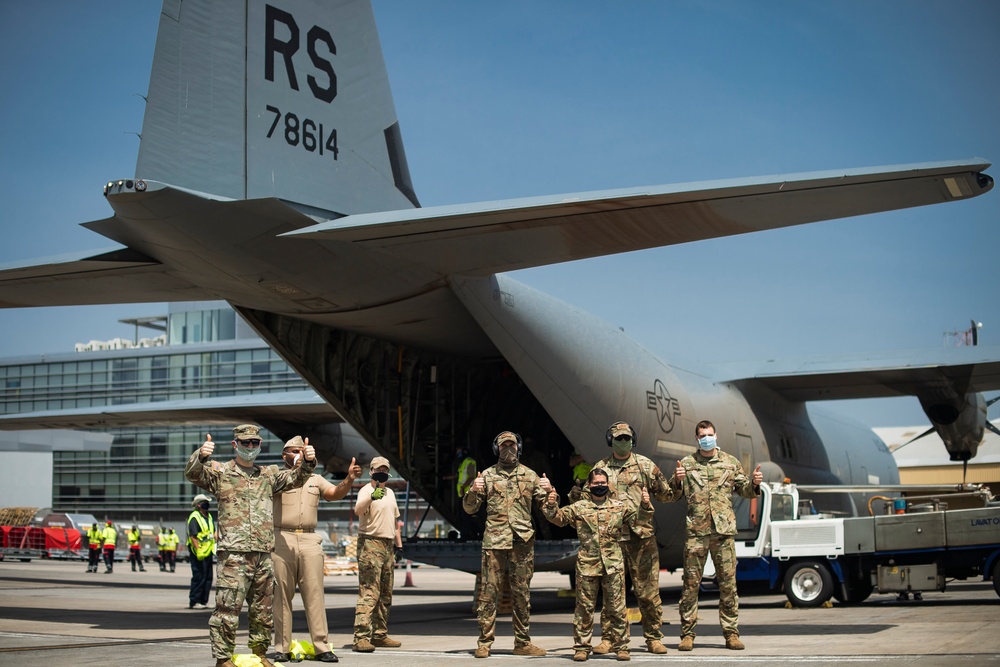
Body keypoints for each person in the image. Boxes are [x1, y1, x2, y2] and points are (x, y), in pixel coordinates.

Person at [185, 424, 317, 667]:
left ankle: (260, 653)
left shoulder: (267, 475)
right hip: (233, 555)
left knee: (263, 610)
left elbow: (296, 478)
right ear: (235, 445)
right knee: (227, 609)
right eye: (245, 443)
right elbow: (194, 474)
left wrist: (308, 462)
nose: (250, 447)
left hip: (263, 554)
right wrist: (201, 456)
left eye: (255, 443)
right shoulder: (221, 472)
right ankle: (223, 658)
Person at [558, 421, 676, 654]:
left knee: (648, 591)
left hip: (641, 537)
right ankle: (610, 639)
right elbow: (586, 500)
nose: (623, 443)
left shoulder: (645, 465)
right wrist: (572, 497)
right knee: (612, 594)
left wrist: (678, 481)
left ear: (633, 440)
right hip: (610, 539)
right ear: (610, 441)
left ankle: (653, 637)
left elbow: (667, 495)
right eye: (618, 439)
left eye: (626, 438)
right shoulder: (600, 469)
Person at [670, 419, 763, 651]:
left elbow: (744, 490)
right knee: (690, 586)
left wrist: (754, 483)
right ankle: (687, 635)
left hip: (723, 532)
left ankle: (731, 634)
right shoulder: (688, 464)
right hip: (696, 533)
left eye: (710, 434)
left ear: (716, 435)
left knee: (728, 585)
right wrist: (677, 480)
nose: (707, 438)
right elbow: (672, 495)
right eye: (702, 435)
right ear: (697, 438)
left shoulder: (730, 463)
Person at [544, 468, 652, 662]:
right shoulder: (580, 507)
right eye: (596, 483)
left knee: (617, 607)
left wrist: (644, 505)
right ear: (589, 486)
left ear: (608, 484)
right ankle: (582, 647)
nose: (600, 486)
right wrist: (551, 504)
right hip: (587, 564)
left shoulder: (620, 507)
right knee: (584, 608)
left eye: (603, 483)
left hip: (613, 565)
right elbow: (558, 519)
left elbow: (639, 522)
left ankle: (621, 646)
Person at [272, 435, 363, 664]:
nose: (299, 455)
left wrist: (349, 480)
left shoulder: (315, 479)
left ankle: (321, 647)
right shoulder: (276, 477)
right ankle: (282, 647)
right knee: (281, 596)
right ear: (284, 455)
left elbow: (334, 494)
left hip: (310, 540)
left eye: (302, 451)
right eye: (294, 451)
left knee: (315, 596)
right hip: (281, 537)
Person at [463, 431, 549, 658]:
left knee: (522, 594)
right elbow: (470, 509)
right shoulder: (488, 476)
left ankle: (522, 643)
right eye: (503, 446)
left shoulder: (530, 476)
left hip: (522, 543)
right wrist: (473, 490)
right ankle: (484, 643)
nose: (508, 449)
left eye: (511, 445)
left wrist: (551, 494)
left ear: (518, 448)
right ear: (497, 449)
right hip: (494, 542)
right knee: (489, 594)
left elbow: (547, 509)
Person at [352, 456, 404, 653]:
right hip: (370, 542)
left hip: (387, 544)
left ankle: (379, 634)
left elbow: (395, 522)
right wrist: (372, 496)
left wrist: (398, 546)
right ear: (371, 472)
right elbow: (358, 510)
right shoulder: (366, 490)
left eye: (385, 469)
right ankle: (361, 637)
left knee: (385, 592)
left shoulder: (390, 493)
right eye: (378, 470)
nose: (381, 472)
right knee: (369, 591)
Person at [188, 493, 217, 609]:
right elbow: (193, 536)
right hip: (198, 552)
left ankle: (204, 601)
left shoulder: (208, 516)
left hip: (208, 551)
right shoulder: (195, 517)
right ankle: (194, 601)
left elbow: (213, 532)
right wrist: (198, 550)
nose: (208, 505)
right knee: (199, 576)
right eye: (205, 503)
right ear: (199, 505)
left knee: (208, 577)